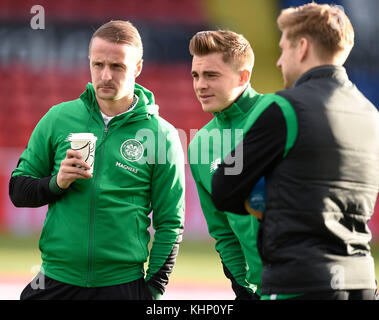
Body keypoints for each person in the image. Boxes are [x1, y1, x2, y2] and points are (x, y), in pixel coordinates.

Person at [211, 3, 379, 300]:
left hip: (302, 281)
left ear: (302, 47)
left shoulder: (285, 107)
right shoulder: (370, 113)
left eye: (283, 49)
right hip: (363, 279)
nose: (278, 62)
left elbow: (225, 186)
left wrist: (263, 197)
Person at [9, 20, 185, 300]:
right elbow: (18, 191)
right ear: (89, 61)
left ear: (137, 67)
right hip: (56, 278)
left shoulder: (161, 135)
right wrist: (56, 183)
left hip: (122, 285)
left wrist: (152, 291)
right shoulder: (57, 118)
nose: (105, 76)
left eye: (117, 67)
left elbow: (170, 223)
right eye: (98, 64)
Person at [188, 30, 265, 299]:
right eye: (196, 76)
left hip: (314, 284)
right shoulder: (199, 145)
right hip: (262, 292)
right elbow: (223, 231)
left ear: (243, 76)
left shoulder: (279, 115)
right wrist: (245, 290)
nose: (200, 85)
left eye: (211, 75)